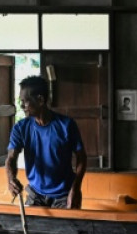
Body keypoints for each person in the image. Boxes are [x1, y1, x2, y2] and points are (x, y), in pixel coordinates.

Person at [6, 76, 87, 209]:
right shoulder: (20, 128)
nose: (21, 106)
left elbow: (81, 157)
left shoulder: (66, 125)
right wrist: (11, 179)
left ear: (40, 100)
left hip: (64, 194)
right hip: (35, 193)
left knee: (66, 229)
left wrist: (76, 188)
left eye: (25, 102)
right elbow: (11, 158)